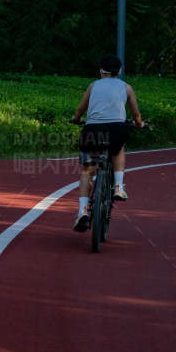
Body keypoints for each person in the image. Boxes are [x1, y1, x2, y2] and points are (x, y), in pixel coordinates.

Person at [70, 53, 143, 232]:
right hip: (117, 129)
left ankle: (82, 211)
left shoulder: (93, 86)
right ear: (119, 71)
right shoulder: (126, 87)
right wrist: (139, 124)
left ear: (100, 71)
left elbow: (81, 108)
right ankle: (118, 187)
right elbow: (135, 114)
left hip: (93, 130)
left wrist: (76, 118)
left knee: (87, 169)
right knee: (118, 149)